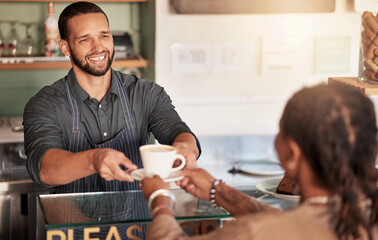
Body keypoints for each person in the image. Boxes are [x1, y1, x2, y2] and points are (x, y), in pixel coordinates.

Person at [141, 83, 378, 240]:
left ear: (292, 154)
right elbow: (294, 224)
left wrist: (160, 201)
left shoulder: (253, 233)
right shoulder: (361, 214)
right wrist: (219, 192)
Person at [23, 1, 200, 194]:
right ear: (65, 48)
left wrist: (186, 147)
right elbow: (44, 169)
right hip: (74, 222)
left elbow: (176, 130)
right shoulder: (44, 104)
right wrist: (93, 160)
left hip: (137, 222)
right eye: (84, 39)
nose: (98, 47)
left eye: (104, 36)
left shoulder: (146, 93)